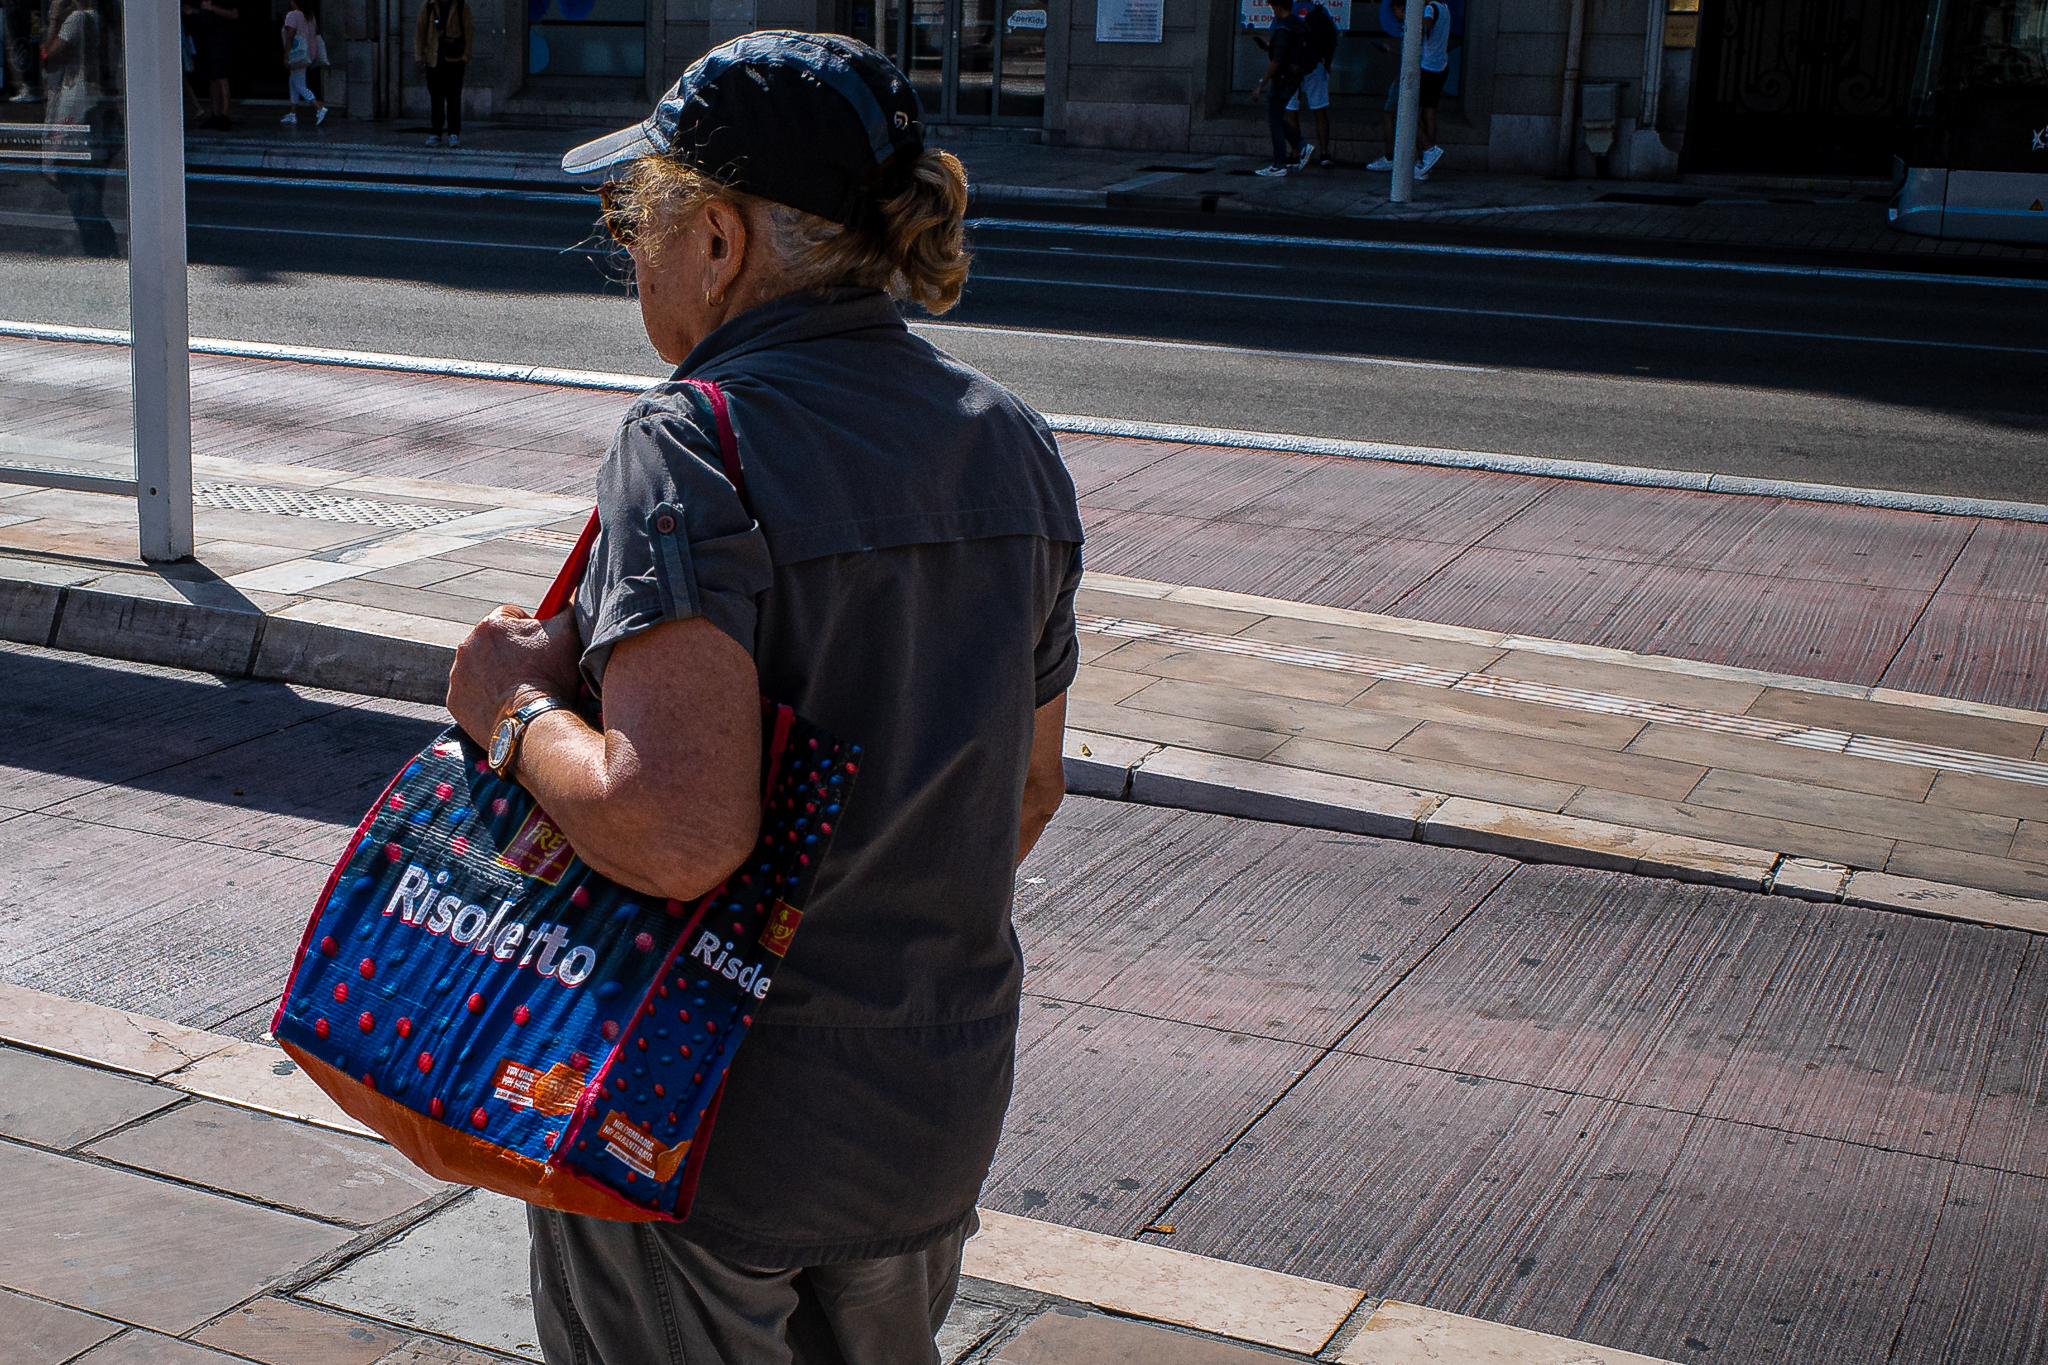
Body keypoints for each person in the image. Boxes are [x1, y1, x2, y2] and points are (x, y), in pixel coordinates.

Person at [444, 30, 1082, 1365]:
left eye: (640, 220)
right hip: (931, 1107)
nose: (632, 256)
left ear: (719, 241)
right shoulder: (1012, 444)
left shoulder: (693, 440)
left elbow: (674, 829)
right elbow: (1024, 790)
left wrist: (513, 712)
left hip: (699, 1121)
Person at [40, 0, 115, 255]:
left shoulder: (77, 20)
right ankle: (104, 255)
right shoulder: (102, 17)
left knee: (81, 198)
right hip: (99, 108)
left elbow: (48, 58)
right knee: (89, 193)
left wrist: (53, 20)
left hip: (78, 110)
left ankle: (103, 256)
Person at [1366, 0, 1447, 177]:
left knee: (1402, 113)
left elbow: (1424, 30)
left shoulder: (1428, 10)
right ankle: (1426, 161)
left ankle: (1427, 151)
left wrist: (1415, 30)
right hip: (1439, 66)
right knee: (1428, 113)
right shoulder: (1444, 8)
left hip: (1424, 67)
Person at [1250, 0, 1318, 176]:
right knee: (1277, 117)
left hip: (1282, 78)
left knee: (1274, 120)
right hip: (1295, 77)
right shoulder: (1298, 25)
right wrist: (1267, 47)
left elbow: (1277, 61)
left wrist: (1260, 84)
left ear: (1279, 7)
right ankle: (1301, 147)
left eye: (1273, 7)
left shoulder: (1284, 28)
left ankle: (1280, 163)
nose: (1273, 11)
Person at [1286, 0, 1337, 168]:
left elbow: (1275, 36)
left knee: (1291, 110)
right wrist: (1327, 62)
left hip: (1291, 66)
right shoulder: (1321, 11)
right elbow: (1331, 37)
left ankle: (1296, 153)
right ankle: (1325, 153)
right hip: (1316, 65)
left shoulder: (1286, 9)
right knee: (1320, 110)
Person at [415, 0, 469, 147]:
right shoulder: (429, 6)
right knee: (436, 98)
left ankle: (453, 133)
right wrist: (419, 57)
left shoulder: (460, 5)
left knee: (454, 98)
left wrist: (465, 57)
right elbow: (420, 31)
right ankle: (435, 133)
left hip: (454, 60)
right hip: (434, 60)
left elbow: (468, 30)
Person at [182, 0, 237, 129]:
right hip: (205, 37)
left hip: (220, 37)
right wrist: (193, 11)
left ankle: (225, 114)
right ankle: (215, 114)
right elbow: (203, 12)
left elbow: (234, 14)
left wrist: (213, 8)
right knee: (211, 76)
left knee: (221, 75)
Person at [279, 0, 325, 125]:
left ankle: (319, 108)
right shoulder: (309, 16)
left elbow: (290, 36)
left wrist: (286, 55)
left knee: (299, 84)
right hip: (307, 54)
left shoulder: (293, 15)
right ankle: (292, 113)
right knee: (293, 82)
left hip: (296, 54)